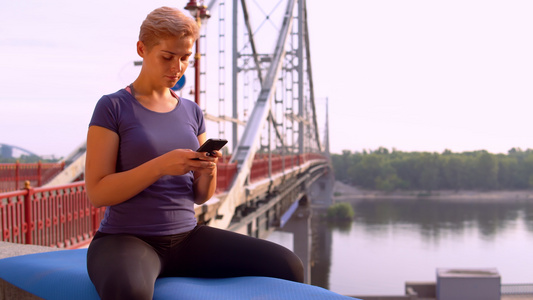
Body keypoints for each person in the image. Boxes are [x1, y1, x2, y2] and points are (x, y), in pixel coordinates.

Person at [85, 6, 304, 300]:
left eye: (185, 58)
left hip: (188, 237)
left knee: (288, 266)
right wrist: (161, 165)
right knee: (129, 292)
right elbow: (98, 192)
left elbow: (201, 196)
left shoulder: (192, 111)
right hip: (127, 240)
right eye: (167, 57)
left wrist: (206, 171)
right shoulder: (112, 107)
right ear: (142, 49)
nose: (177, 67)